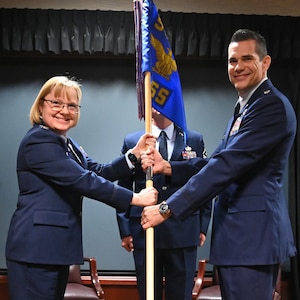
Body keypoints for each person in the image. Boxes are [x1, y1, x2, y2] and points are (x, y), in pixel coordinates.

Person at [140, 29, 297, 300]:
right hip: (238, 241)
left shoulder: (269, 106)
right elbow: (213, 162)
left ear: (266, 62)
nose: (238, 67)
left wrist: (166, 208)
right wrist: (168, 168)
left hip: (252, 242)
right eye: (232, 61)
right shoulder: (245, 108)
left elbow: (226, 167)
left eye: (246, 59)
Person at [5, 75, 158, 300]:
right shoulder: (38, 141)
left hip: (54, 250)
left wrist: (132, 156)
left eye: (72, 106)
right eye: (56, 103)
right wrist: (135, 198)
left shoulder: (68, 144)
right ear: (41, 105)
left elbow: (99, 171)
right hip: (36, 250)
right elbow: (84, 181)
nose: (64, 111)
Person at [116, 108, 212, 300]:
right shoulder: (133, 141)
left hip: (183, 228)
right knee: (148, 294)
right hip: (145, 230)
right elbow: (124, 187)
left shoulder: (193, 139)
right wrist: (125, 229)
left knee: (181, 294)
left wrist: (202, 225)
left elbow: (204, 183)